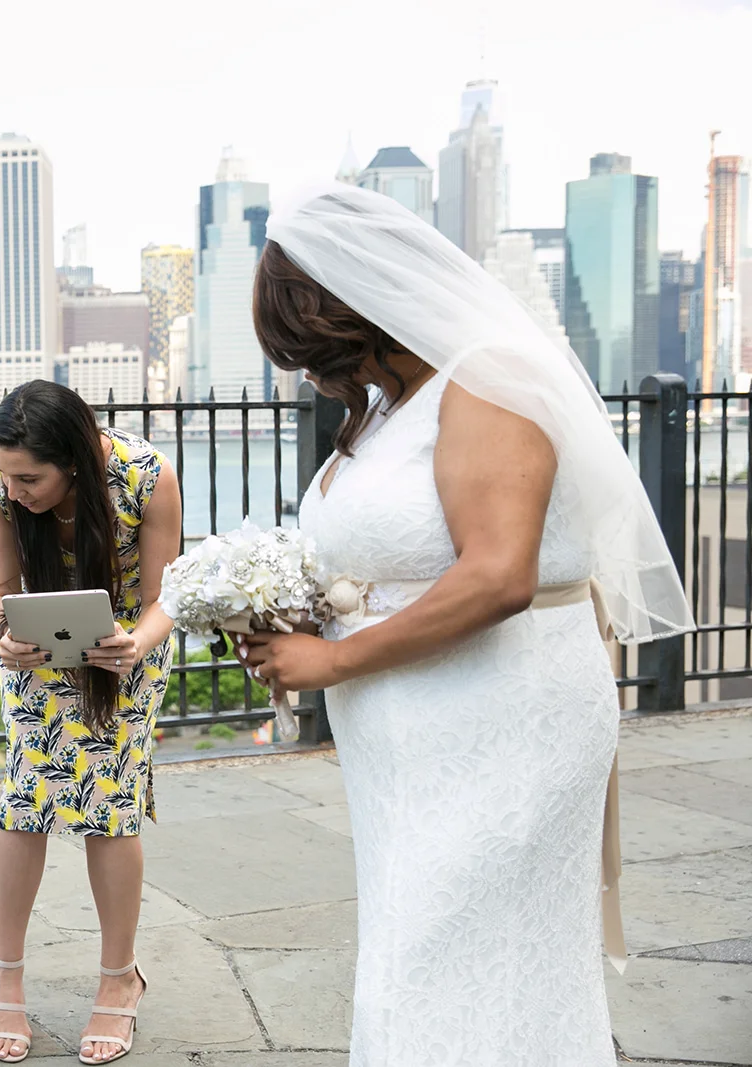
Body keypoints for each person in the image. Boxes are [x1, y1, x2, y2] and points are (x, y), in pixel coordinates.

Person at [239, 184, 692, 1064]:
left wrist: (333, 660)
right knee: (423, 949)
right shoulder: (389, 404)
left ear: (345, 306)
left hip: (502, 716)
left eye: (305, 346)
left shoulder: (489, 381)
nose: (305, 369)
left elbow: (498, 575)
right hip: (411, 730)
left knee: (452, 955)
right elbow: (397, 558)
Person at [0, 380, 184, 1065]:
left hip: (125, 654)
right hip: (35, 653)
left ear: (75, 460)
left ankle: (120, 978)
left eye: (30, 476)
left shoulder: (146, 476)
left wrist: (136, 643)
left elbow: (164, 597)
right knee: (23, 801)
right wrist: (4, 635)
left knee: (110, 807)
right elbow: (1, 592)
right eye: (8, 474)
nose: (17, 488)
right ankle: (6, 969)